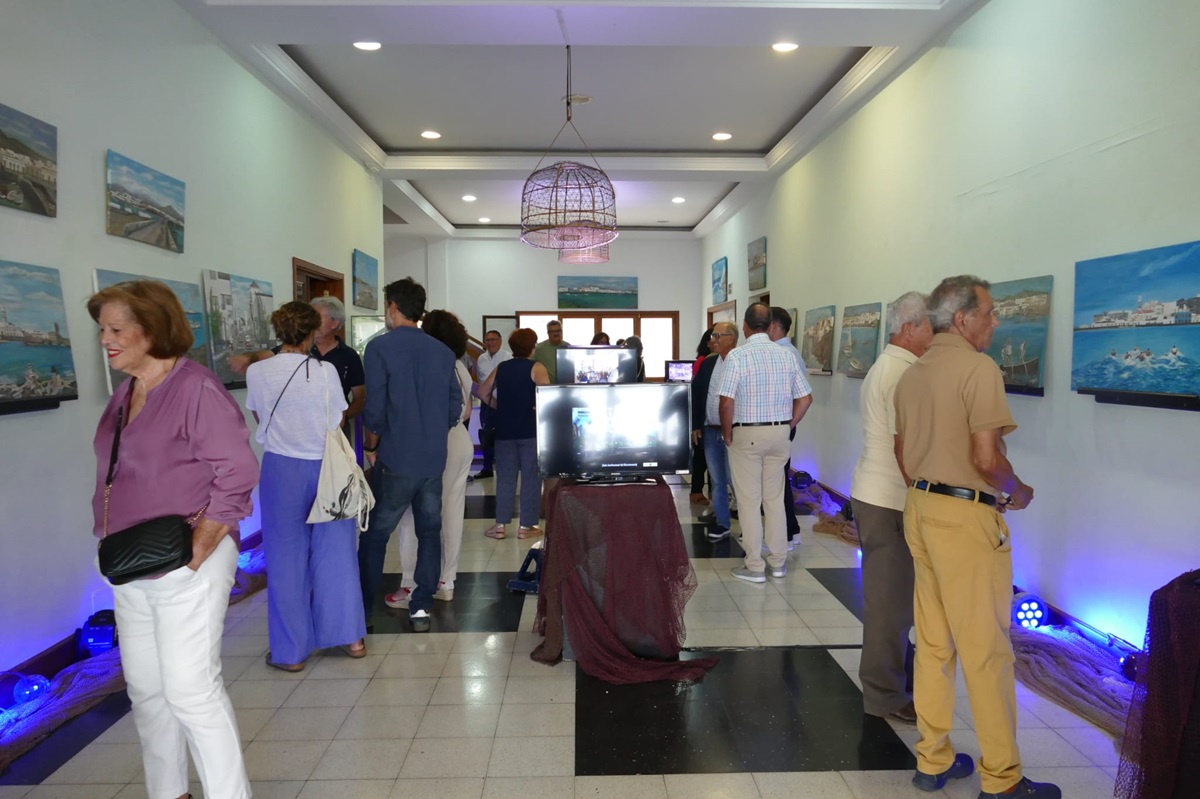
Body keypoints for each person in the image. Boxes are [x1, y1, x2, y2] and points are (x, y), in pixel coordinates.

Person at [88, 280, 258, 799]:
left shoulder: (195, 389)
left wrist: (200, 546)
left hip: (184, 559)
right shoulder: (127, 391)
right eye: (102, 330)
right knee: (147, 691)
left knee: (190, 691)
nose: (105, 340)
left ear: (152, 329)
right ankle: (168, 792)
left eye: (116, 329)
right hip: (131, 561)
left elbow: (238, 470)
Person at [894, 276, 1058, 799]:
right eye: (989, 313)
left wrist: (933, 491)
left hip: (918, 508)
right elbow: (987, 459)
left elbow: (903, 455)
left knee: (934, 642)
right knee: (987, 650)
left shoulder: (913, 373)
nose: (996, 322)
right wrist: (1019, 491)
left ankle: (933, 760)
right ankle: (1002, 779)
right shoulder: (979, 368)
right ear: (962, 318)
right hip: (964, 520)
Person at [245, 301, 367, 671]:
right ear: (313, 331)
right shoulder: (326, 371)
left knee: (284, 560)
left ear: (279, 331)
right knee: (337, 554)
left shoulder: (258, 372)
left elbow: (258, 416)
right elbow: (337, 417)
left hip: (281, 469)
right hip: (325, 467)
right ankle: (350, 638)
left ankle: (291, 652)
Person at [849, 291, 933, 725]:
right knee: (890, 605)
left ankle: (899, 683)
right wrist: (924, 500)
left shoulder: (891, 366)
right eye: (930, 327)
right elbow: (908, 450)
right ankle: (885, 694)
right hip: (890, 500)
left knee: (895, 600)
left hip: (878, 494)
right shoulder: (902, 373)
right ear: (909, 328)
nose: (934, 336)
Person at [358, 278, 461, 633]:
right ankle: (421, 609)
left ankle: (363, 611)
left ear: (393, 307)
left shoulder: (380, 348)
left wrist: (372, 444)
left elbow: (374, 409)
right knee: (429, 533)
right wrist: (432, 430)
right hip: (433, 459)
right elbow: (455, 406)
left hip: (396, 458)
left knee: (375, 535)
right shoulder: (443, 351)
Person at [385, 310, 475, 609]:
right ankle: (445, 581)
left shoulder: (431, 363)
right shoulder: (460, 366)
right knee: (451, 513)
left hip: (432, 440)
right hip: (460, 439)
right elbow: (466, 409)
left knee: (414, 516)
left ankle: (411, 584)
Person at [717, 303, 812, 583]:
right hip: (779, 434)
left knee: (749, 501)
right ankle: (779, 563)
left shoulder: (738, 357)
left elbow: (726, 402)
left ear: (745, 326)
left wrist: (727, 433)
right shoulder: (786, 356)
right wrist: (789, 424)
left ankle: (755, 566)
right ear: (769, 325)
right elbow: (806, 398)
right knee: (774, 500)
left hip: (747, 434)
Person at [230, 296, 365, 435]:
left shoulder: (349, 356)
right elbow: (267, 355)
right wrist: (246, 358)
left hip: (334, 431)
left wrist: (339, 421)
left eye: (315, 317)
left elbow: (359, 397)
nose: (311, 323)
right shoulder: (290, 349)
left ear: (334, 323)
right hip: (297, 432)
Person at [477, 328, 550, 539]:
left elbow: (482, 392)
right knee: (530, 478)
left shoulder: (502, 368)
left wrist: (499, 406)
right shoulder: (536, 367)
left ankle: (500, 526)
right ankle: (526, 528)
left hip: (504, 431)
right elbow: (548, 396)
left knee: (506, 479)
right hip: (529, 431)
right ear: (531, 347)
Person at [692, 322, 738, 541]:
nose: (714, 339)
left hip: (735, 432)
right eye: (713, 335)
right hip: (711, 430)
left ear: (733, 338)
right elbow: (698, 393)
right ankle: (722, 523)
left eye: (719, 335)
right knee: (718, 479)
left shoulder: (740, 362)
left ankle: (750, 526)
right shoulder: (710, 363)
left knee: (735, 479)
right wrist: (696, 425)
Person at [768, 307, 807, 548]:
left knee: (777, 482)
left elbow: (802, 397)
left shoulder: (785, 354)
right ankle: (788, 531)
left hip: (780, 426)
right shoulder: (784, 352)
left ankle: (787, 534)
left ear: (772, 326)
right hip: (780, 426)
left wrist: (787, 425)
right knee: (777, 480)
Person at [472, 328, 511, 480]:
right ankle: (487, 468)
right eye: (487, 340)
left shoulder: (507, 357)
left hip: (503, 403)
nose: (490, 342)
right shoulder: (481, 358)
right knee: (486, 436)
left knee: (503, 437)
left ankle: (505, 468)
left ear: (500, 341)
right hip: (486, 403)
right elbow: (482, 380)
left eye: (493, 339)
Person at [689, 328, 714, 504]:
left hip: (714, 419)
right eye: (715, 338)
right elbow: (698, 391)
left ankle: (714, 493)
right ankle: (697, 490)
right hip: (705, 417)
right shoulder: (703, 362)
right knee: (701, 456)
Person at [532, 319, 569, 383]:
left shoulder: (568, 347)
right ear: (548, 333)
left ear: (561, 332)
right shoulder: (539, 348)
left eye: (558, 331)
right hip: (546, 386)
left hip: (565, 384)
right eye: (553, 331)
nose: (556, 334)